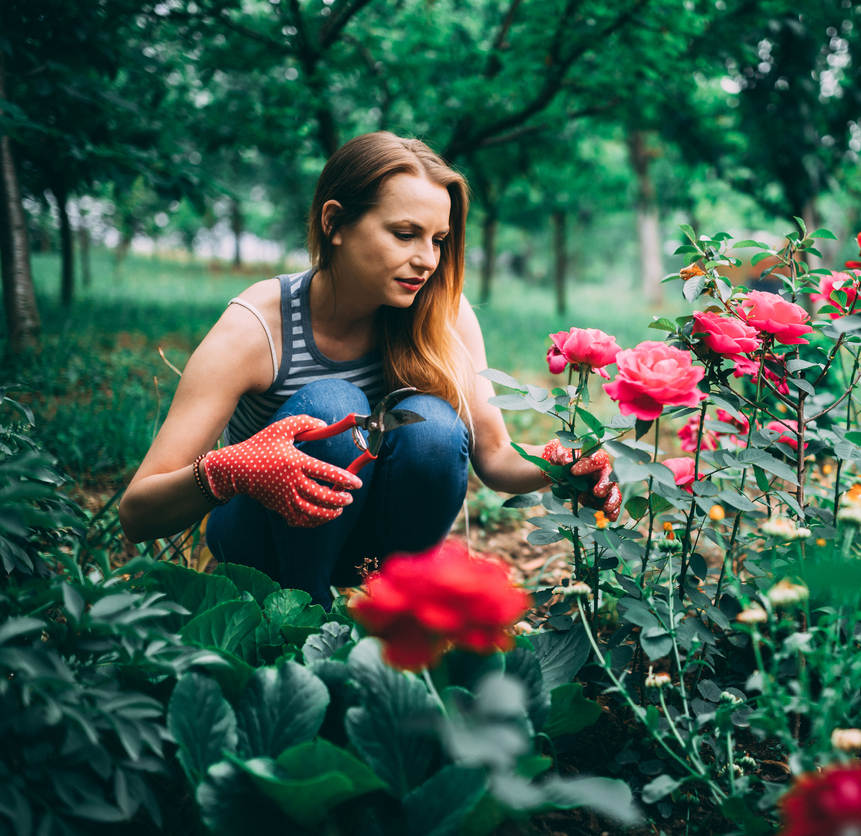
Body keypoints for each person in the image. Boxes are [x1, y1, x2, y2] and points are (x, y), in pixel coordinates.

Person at [119, 132, 618, 608]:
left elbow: (495, 457)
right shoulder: (258, 327)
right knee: (334, 407)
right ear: (334, 224)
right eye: (405, 234)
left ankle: (398, 611)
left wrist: (562, 461)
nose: (426, 261)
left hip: (371, 546)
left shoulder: (442, 312)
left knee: (431, 424)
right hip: (262, 542)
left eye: (438, 239)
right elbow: (138, 512)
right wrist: (231, 468)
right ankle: (299, 617)